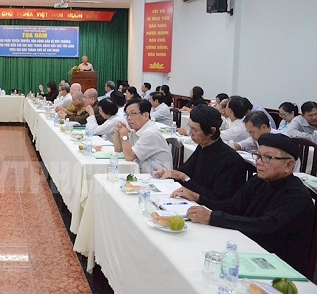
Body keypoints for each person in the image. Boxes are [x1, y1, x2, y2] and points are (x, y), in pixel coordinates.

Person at [182, 134, 313, 277]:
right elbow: (231, 206)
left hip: (279, 267)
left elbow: (264, 226)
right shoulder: (258, 181)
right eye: (258, 155)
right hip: (247, 246)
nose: (259, 162)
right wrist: (199, 197)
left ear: (289, 166)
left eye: (267, 158)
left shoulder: (296, 195)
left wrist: (213, 218)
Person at [156, 105, 247, 201]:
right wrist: (168, 173)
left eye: (195, 130)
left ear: (212, 131)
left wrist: (184, 178)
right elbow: (184, 171)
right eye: (190, 128)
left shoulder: (231, 161)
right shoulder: (202, 147)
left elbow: (219, 201)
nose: (190, 133)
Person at [114, 99, 172, 173]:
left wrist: (124, 135)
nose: (129, 118)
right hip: (144, 174)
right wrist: (117, 132)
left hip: (158, 178)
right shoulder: (136, 130)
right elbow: (118, 150)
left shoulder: (150, 133)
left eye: (133, 114)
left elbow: (129, 157)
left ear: (146, 115)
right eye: (127, 114)